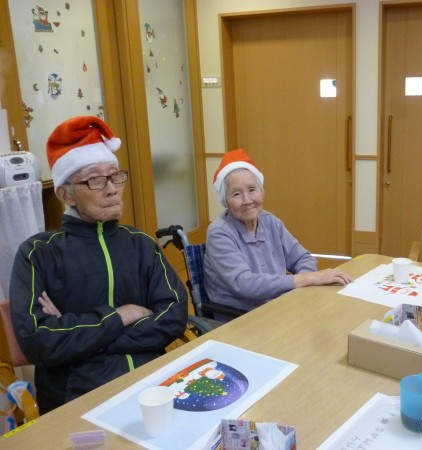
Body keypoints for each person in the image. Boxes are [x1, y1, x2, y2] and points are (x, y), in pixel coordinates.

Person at [9, 116, 188, 414]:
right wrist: (121, 316)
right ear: (66, 194)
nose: (112, 189)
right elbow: (39, 341)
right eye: (95, 179)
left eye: (115, 176)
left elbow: (173, 315)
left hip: (153, 386)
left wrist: (86, 338)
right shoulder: (38, 253)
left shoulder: (140, 244)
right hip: (79, 397)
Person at [204, 148, 352, 314]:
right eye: (236, 194)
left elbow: (302, 258)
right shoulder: (219, 233)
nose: (247, 200)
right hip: (239, 316)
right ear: (226, 201)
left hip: (279, 307)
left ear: (262, 191)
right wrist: (306, 278)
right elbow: (244, 284)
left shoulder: (270, 222)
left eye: (252, 189)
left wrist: (304, 282)